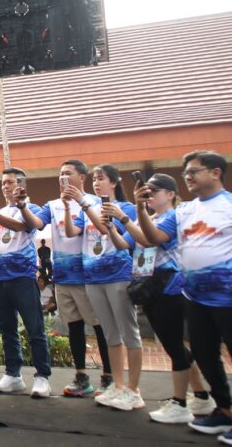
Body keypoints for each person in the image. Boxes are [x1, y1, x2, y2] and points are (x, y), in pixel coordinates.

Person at [138, 150, 232, 445]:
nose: (188, 177)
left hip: (231, 298)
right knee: (204, 354)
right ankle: (223, 410)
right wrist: (140, 208)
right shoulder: (184, 212)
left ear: (216, 173)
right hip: (195, 298)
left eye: (194, 171)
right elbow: (153, 238)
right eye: (185, 173)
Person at [115, 173, 215, 424]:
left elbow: (148, 238)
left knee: (174, 346)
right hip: (150, 288)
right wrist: (107, 225)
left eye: (154, 191)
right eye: (146, 192)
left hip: (169, 288)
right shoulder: (149, 218)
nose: (148, 196)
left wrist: (128, 216)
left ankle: (180, 404)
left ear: (171, 194)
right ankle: (201, 396)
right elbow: (122, 243)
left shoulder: (173, 217)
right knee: (174, 346)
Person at [26, 159, 112, 398]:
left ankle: (109, 376)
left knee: (99, 327)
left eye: (68, 173)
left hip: (88, 276)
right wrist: (23, 206)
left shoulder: (94, 202)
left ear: (82, 177)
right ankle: (81, 377)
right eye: (60, 173)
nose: (62, 177)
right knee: (74, 327)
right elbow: (36, 223)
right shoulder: (53, 205)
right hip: (63, 277)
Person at [0, 167, 52, 398]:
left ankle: (42, 376)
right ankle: (13, 375)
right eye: (3, 183)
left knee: (35, 328)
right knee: (7, 329)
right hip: (0, 277)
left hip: (23, 277)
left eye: (10, 182)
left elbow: (24, 226)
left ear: (21, 185)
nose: (5, 186)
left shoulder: (31, 208)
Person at [77, 164, 143, 411]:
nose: (96, 183)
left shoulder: (126, 209)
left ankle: (133, 390)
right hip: (93, 276)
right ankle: (117, 384)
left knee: (129, 332)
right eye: (94, 179)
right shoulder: (88, 209)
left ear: (114, 182)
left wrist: (85, 205)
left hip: (118, 275)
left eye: (101, 178)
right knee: (110, 334)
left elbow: (112, 235)